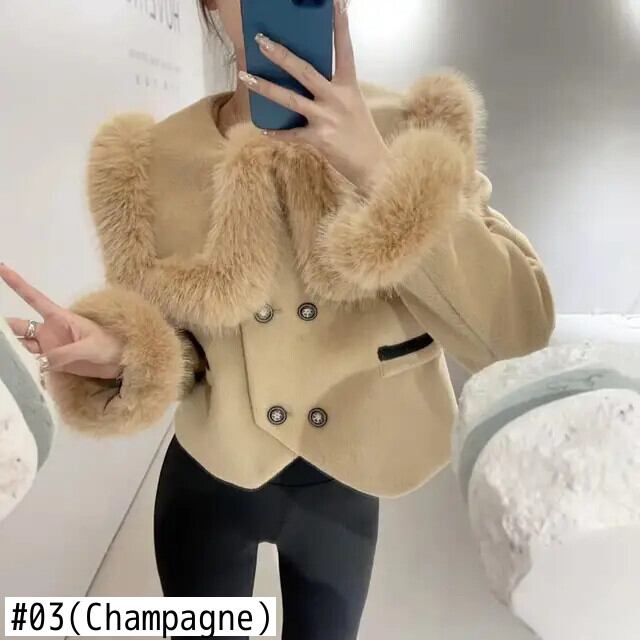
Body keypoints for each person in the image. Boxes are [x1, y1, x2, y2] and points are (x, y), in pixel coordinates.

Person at [0, 0, 555, 637]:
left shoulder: (415, 129)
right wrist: (123, 351)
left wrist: (379, 171)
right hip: (208, 480)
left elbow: (516, 332)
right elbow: (181, 350)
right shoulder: (148, 161)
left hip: (346, 487)